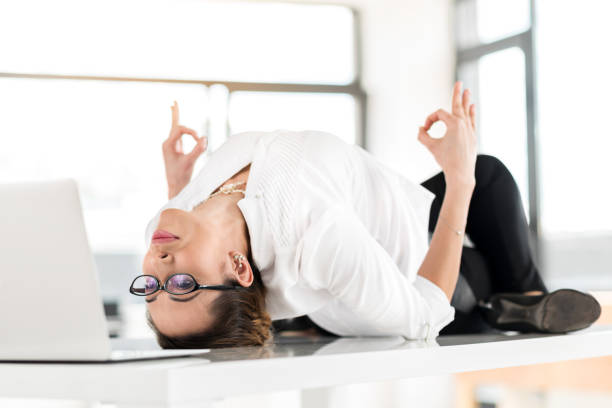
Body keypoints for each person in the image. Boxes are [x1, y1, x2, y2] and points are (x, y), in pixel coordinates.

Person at [132, 82, 601, 348]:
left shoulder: (166, 226)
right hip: (418, 269)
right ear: (237, 266)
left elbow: (178, 252)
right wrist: (457, 177)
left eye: (151, 289)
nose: (158, 268)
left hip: (393, 216)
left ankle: (512, 304)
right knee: (485, 176)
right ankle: (516, 300)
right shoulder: (313, 230)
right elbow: (423, 316)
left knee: (483, 182)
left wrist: (182, 180)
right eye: (182, 286)